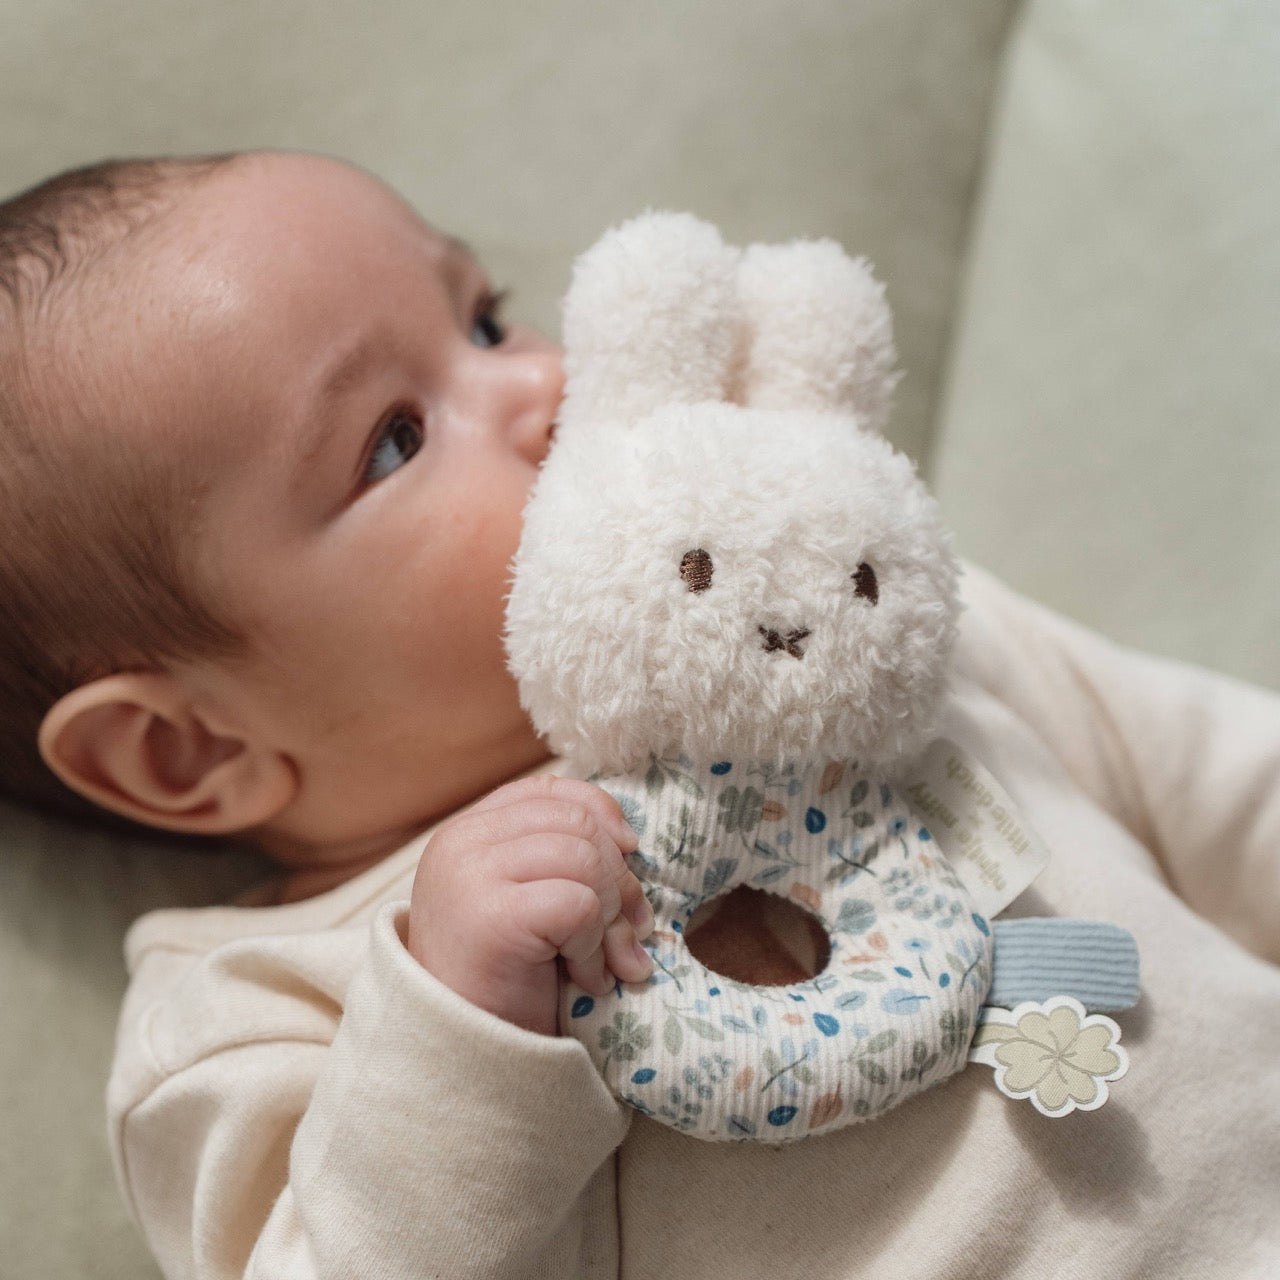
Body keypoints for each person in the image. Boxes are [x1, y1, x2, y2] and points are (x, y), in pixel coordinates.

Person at [2, 149, 1278, 1279]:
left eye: (484, 317)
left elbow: (1218, 778)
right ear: (187, 749)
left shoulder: (852, 618)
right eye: (395, 437)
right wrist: (461, 1026)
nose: (549, 376)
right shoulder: (248, 1008)